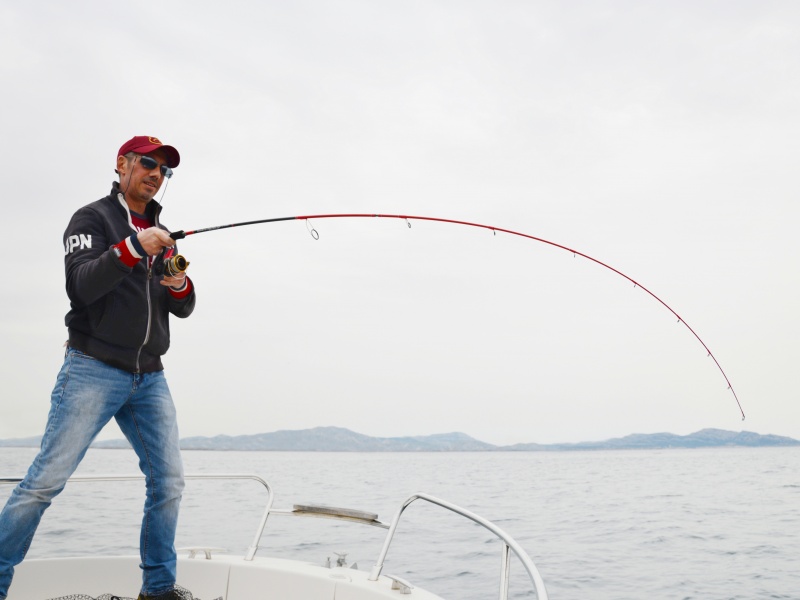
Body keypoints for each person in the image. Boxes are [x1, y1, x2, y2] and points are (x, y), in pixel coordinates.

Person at [0, 136, 196, 600]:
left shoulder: (162, 233)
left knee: (168, 482)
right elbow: (81, 285)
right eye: (148, 163)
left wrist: (180, 281)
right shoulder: (92, 219)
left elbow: (183, 308)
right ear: (122, 164)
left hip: (150, 375)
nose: (155, 174)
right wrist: (132, 248)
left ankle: (159, 588)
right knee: (44, 482)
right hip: (92, 368)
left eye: (164, 170)